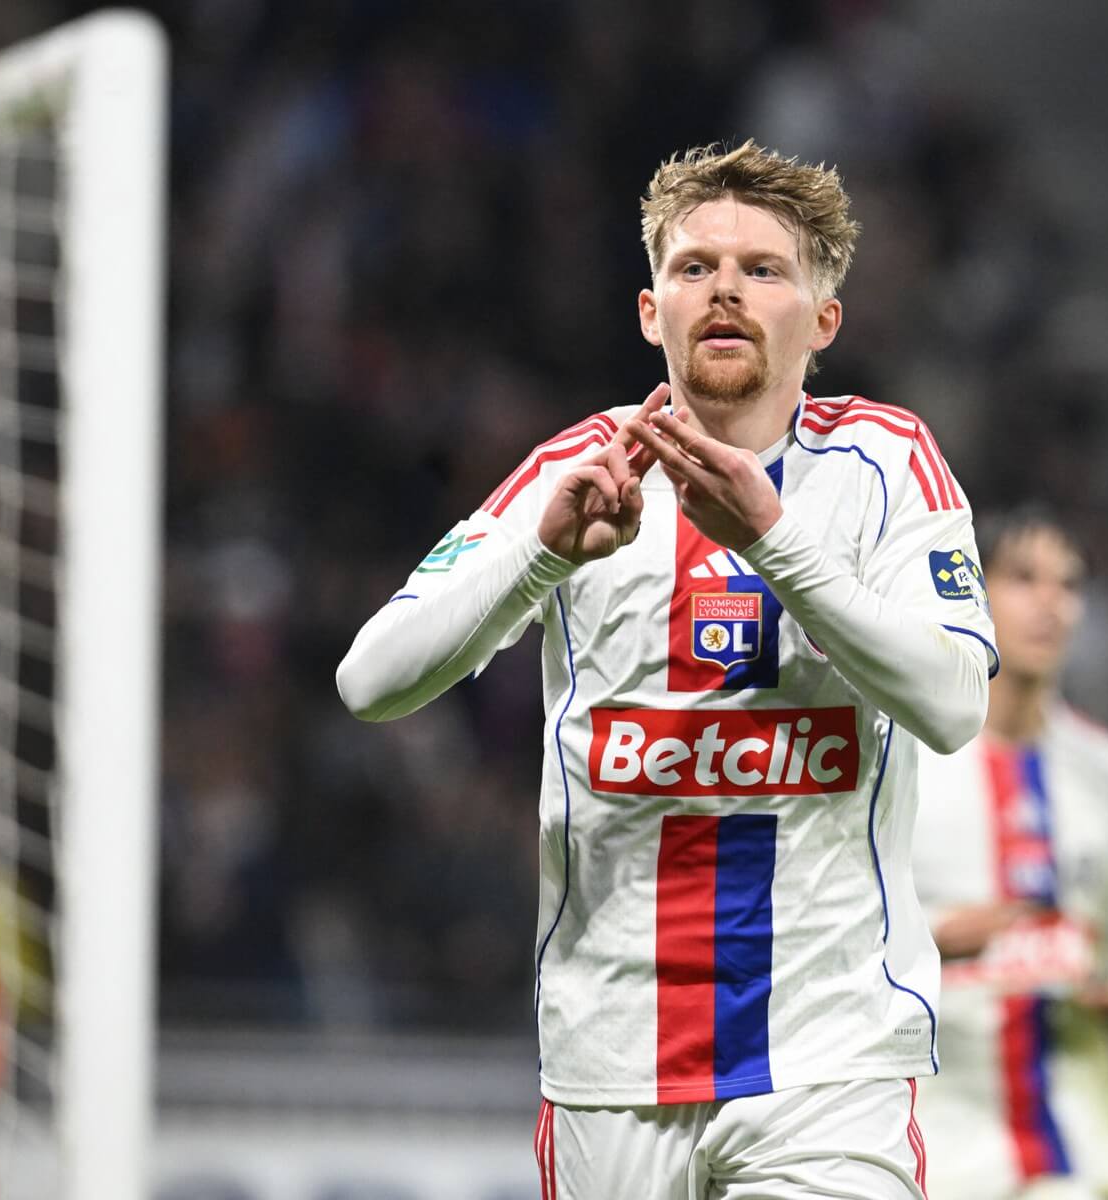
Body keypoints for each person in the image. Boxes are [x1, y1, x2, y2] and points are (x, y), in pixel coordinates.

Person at [337, 141, 998, 1198]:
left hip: (828, 1060)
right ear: (653, 312)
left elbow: (955, 703)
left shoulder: (884, 464)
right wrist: (542, 554)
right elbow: (371, 681)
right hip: (611, 1061)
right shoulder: (580, 470)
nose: (725, 289)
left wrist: (776, 542)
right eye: (696, 267)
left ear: (822, 322)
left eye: (763, 270)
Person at [911, 506, 1108, 1200]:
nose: (1051, 604)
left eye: (1069, 584)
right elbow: (837, 929)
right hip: (932, 1155)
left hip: (1078, 1160)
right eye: (1023, 578)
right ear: (970, 590)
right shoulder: (904, 754)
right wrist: (933, 936)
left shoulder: (1105, 766)